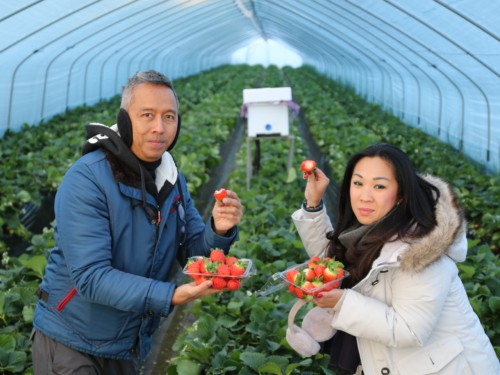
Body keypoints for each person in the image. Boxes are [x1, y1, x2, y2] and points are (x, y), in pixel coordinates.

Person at [31, 70, 244, 374]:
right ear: (125, 120)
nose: (159, 127)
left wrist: (219, 229)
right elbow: (91, 277)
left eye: (169, 117)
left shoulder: (171, 179)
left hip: (126, 342)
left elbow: (194, 250)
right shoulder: (87, 178)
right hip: (71, 341)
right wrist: (171, 295)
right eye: (147, 115)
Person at [290, 143, 499, 375]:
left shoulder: (420, 250)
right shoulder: (369, 232)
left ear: (401, 195)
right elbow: (332, 263)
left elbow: (410, 329)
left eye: (379, 186)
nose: (365, 197)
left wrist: (342, 302)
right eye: (358, 183)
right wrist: (313, 205)